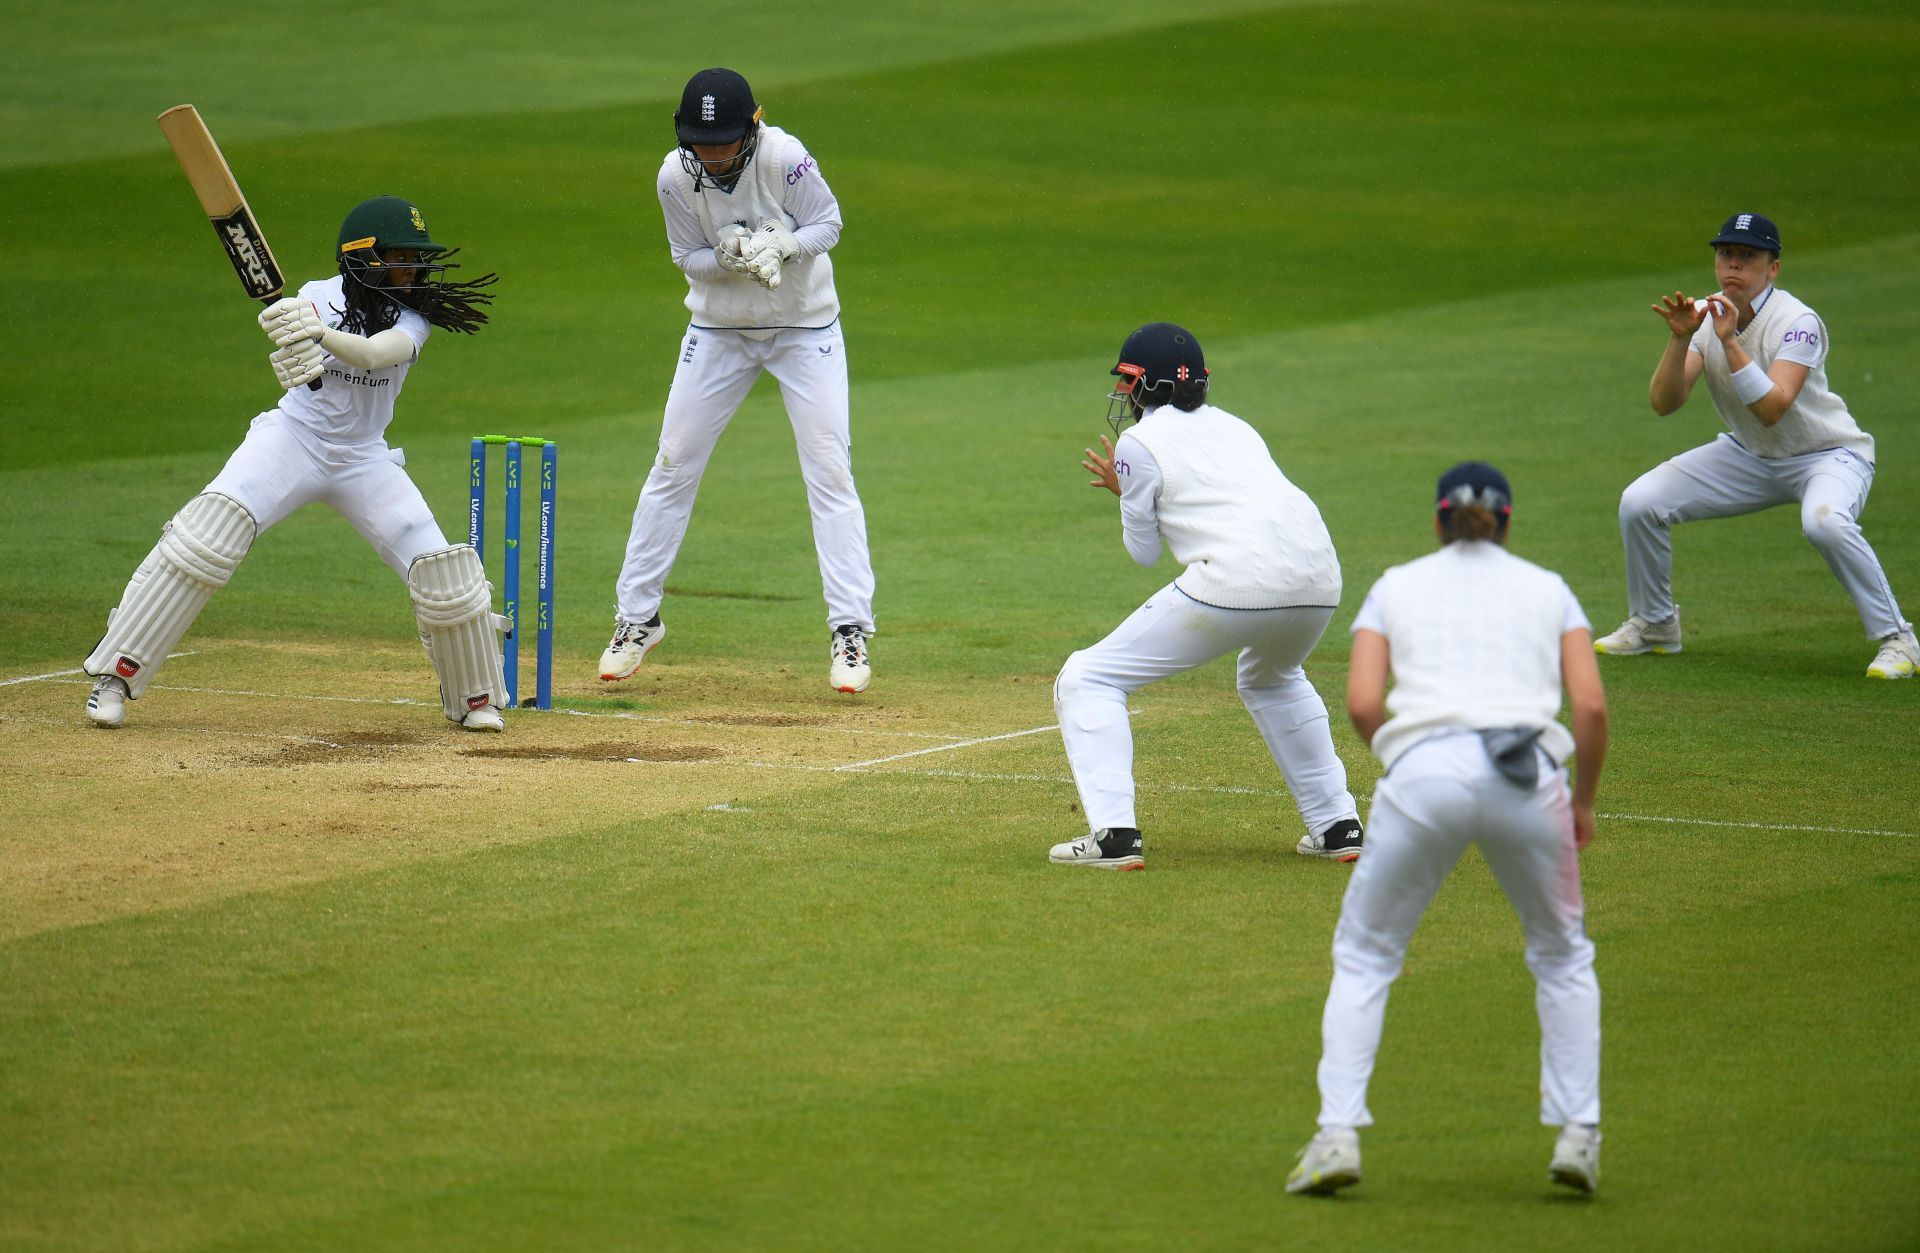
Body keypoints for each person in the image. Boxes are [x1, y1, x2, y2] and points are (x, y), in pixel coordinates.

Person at [1288, 462, 1608, 1197]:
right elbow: (1588, 710)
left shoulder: (1396, 584)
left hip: (1423, 773)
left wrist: (1409, 759)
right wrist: (1582, 801)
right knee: (1562, 954)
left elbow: (1364, 701)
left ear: (1438, 520)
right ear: (1506, 521)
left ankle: (1337, 1134)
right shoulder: (1548, 587)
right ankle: (1579, 1133)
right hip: (1529, 775)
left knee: (1366, 954)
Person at [83, 196, 508, 732]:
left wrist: (322, 338)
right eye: (401, 256)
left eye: (415, 258)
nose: (413, 269)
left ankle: (476, 696)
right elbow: (294, 359)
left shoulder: (413, 315)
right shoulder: (315, 297)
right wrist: (293, 338)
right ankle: (115, 675)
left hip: (363, 457)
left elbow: (378, 354)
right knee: (206, 537)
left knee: (444, 572)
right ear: (364, 256)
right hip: (293, 439)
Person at [600, 67, 876, 694]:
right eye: (703, 144)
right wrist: (726, 259)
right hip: (719, 331)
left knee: (830, 471)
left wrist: (782, 247)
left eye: (725, 143)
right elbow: (684, 258)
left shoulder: (785, 156)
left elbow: (828, 223)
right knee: (672, 465)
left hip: (805, 327)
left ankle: (850, 632)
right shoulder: (675, 176)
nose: (714, 157)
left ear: (751, 129)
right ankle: (636, 618)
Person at [1047, 322, 1363, 871]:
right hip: (1320, 576)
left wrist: (1129, 495)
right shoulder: (1237, 427)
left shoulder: (1137, 442)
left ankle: (1116, 837)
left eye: (1128, 380)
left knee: (1088, 677)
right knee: (1272, 677)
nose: (1122, 392)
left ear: (1150, 386)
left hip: (1236, 580)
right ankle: (1338, 825)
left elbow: (1143, 552)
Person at [1595, 212, 1916, 679]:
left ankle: (1899, 639)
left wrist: (1729, 342)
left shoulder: (1799, 321)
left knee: (1823, 523)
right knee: (1640, 502)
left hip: (1829, 455)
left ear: (1773, 268)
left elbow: (1773, 407)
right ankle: (1656, 624)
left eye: (1748, 256)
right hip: (1750, 455)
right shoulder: (1705, 316)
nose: (1734, 266)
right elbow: (1665, 403)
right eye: (1726, 254)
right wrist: (1680, 338)